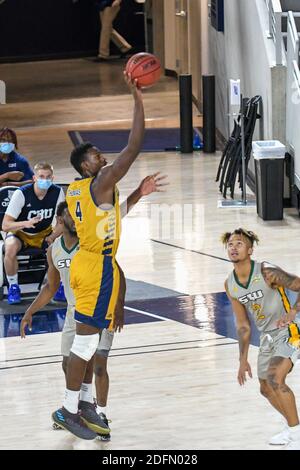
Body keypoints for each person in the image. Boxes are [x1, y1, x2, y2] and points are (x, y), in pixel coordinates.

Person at [20, 173, 167, 440]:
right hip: (73, 313)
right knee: (70, 363)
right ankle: (77, 409)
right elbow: (50, 288)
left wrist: (120, 305)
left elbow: (117, 266)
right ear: (63, 221)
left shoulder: (94, 243)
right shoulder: (55, 250)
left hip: (100, 305)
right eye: (71, 218)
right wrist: (29, 312)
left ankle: (97, 411)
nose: (76, 220)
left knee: (97, 364)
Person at [50, 73, 144, 440]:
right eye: (95, 156)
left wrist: (136, 195)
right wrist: (137, 99)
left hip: (92, 266)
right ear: (86, 167)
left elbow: (102, 221)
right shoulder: (100, 182)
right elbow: (134, 147)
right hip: (94, 269)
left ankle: (85, 403)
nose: (102, 158)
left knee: (87, 345)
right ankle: (68, 408)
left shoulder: (76, 189)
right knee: (85, 345)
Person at [223, 228, 300, 450]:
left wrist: (293, 312)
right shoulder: (230, 284)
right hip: (267, 337)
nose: (233, 247)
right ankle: (291, 427)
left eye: (239, 243)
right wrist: (242, 360)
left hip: (290, 330)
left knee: (276, 378)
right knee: (265, 387)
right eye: (230, 244)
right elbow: (243, 326)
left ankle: (297, 435)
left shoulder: (267, 272)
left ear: (250, 250)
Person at [2, 162, 65, 304]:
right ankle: (13, 286)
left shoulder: (57, 192)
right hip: (21, 233)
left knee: (62, 246)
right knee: (10, 247)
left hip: (44, 233)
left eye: (48, 177)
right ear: (34, 178)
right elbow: (5, 225)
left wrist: (53, 237)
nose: (45, 180)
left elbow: (62, 222)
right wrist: (26, 223)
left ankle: (58, 284)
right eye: (41, 176)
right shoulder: (21, 193)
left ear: (53, 178)